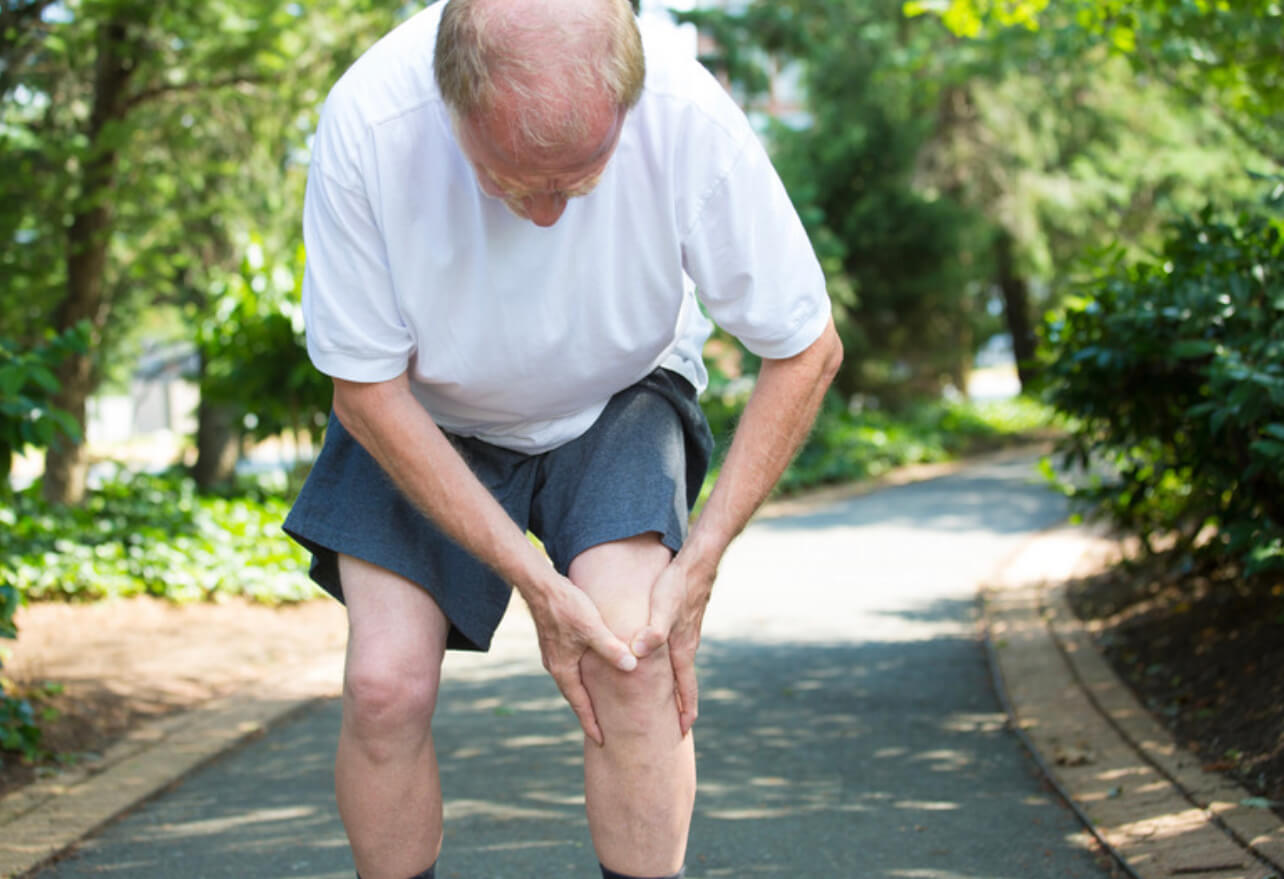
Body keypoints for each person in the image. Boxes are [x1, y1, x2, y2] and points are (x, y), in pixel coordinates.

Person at [282, 0, 842, 877]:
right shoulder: (371, 121)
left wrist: (701, 561)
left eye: (579, 182)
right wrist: (533, 580)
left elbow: (806, 346)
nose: (544, 217)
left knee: (632, 659)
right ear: (450, 102)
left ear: (627, 99)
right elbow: (364, 388)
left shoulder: (687, 116)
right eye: (510, 181)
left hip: (618, 392)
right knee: (385, 688)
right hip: (422, 411)